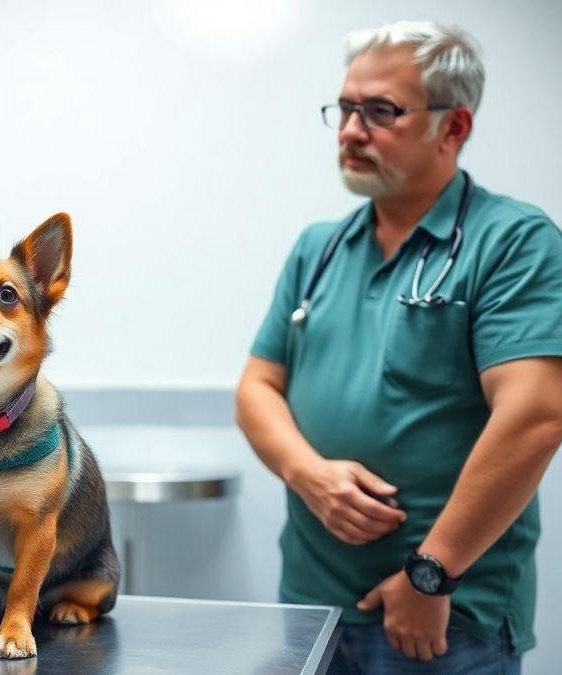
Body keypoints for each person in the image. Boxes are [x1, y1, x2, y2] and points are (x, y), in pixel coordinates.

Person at [235, 20, 562, 674]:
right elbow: (256, 388)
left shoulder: (512, 242)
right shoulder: (319, 248)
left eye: (380, 111)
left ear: (455, 127)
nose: (352, 130)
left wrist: (430, 575)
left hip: (437, 619)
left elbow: (535, 417)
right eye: (346, 108)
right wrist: (309, 474)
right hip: (311, 605)